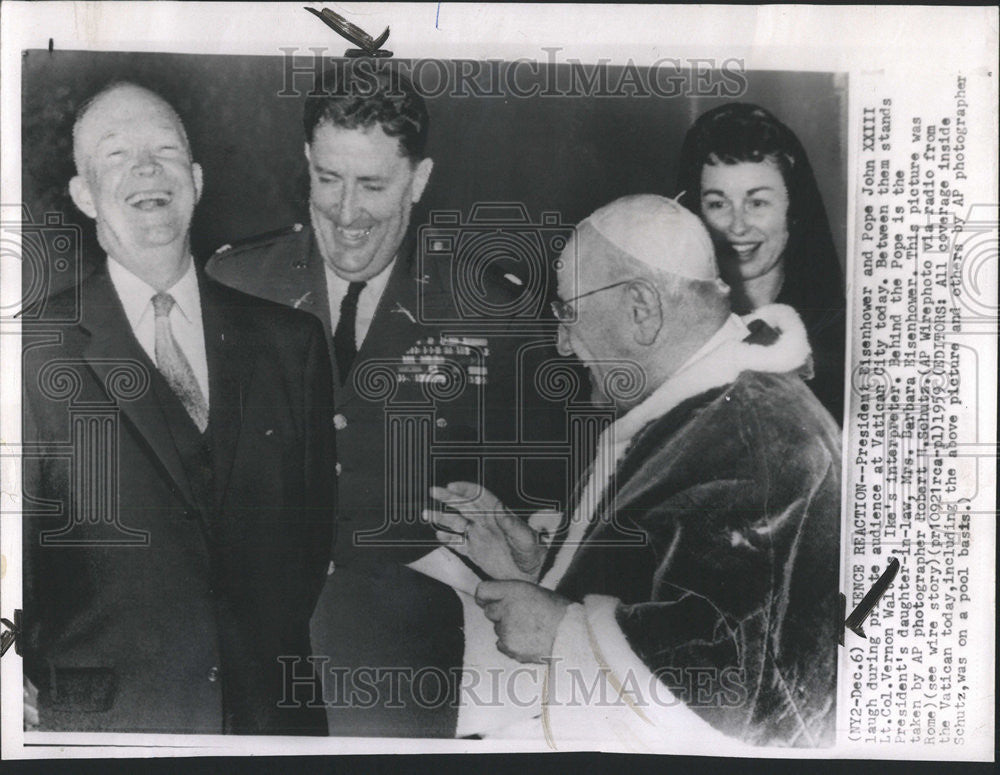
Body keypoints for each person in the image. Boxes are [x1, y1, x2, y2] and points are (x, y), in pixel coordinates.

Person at [206, 63, 566, 736]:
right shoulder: (232, 282)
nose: (345, 214)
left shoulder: (492, 304)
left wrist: (530, 543)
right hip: (257, 656)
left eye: (372, 184)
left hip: (415, 663)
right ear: (306, 162)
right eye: (327, 179)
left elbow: (554, 486)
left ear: (418, 180)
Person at [427, 195, 841, 748]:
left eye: (568, 313)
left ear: (642, 307)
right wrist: (538, 566)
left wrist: (560, 629)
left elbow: (733, 687)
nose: (562, 342)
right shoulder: (707, 406)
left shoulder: (752, 433)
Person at [21, 82, 335, 735]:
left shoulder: (291, 343)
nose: (145, 169)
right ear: (82, 194)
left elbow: (307, 549)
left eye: (165, 151)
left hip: (271, 725)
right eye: (116, 155)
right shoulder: (29, 352)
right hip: (109, 731)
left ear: (194, 180)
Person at [675, 102, 846, 423]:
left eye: (757, 202)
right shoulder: (675, 332)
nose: (737, 226)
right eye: (717, 203)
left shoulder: (838, 343)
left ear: (793, 211)